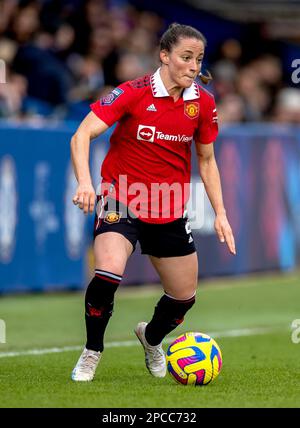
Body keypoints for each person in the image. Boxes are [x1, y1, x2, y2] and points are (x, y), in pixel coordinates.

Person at [70, 23, 236, 382]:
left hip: (169, 206)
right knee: (107, 272)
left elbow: (206, 160)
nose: (194, 66)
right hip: (122, 196)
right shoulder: (132, 93)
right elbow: (82, 133)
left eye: (199, 59)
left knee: (183, 298)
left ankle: (151, 338)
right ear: (164, 55)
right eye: (186, 57)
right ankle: (92, 351)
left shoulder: (203, 104)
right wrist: (85, 182)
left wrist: (221, 213)